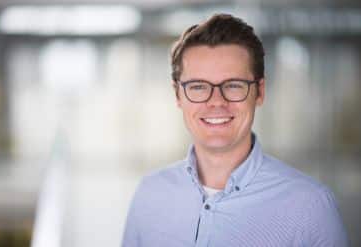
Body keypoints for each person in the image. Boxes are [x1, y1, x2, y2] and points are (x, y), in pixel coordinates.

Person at [122, 13, 348, 247]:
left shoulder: (311, 207)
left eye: (233, 85)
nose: (217, 102)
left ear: (259, 92)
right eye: (198, 87)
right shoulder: (149, 194)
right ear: (177, 95)